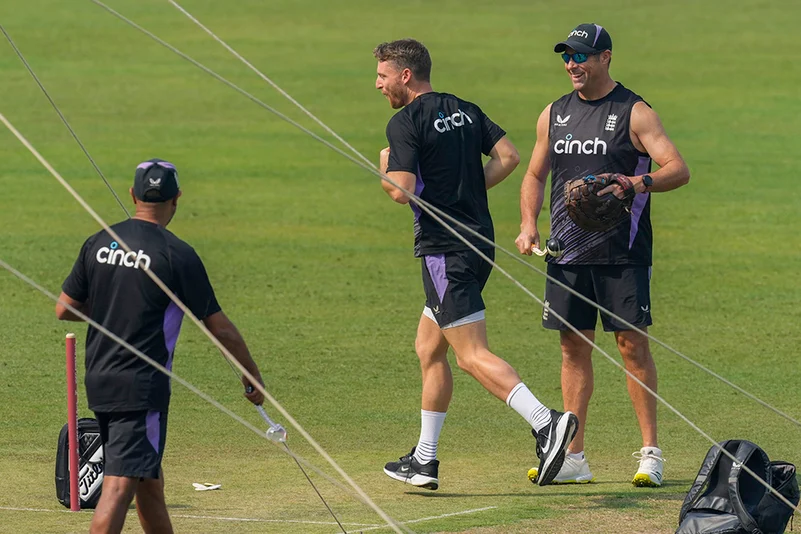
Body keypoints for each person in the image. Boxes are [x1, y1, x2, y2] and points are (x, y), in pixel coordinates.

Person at [373, 38, 578, 490]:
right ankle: (424, 460)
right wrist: (467, 192)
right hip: (479, 244)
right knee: (429, 347)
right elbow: (509, 156)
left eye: (383, 76)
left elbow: (400, 190)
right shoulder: (465, 108)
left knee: (469, 355)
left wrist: (385, 166)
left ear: (405, 76)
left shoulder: (404, 123)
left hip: (445, 252)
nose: (378, 85)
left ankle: (546, 422)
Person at [516, 24, 690, 487]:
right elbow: (535, 175)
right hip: (566, 255)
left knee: (632, 347)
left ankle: (650, 454)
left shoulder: (634, 112)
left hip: (622, 253)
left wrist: (637, 183)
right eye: (567, 57)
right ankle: (574, 457)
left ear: (605, 58)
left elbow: (676, 168)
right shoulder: (553, 114)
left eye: (582, 56)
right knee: (573, 347)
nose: (572, 64)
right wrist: (528, 223)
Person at [56, 159, 266, 533]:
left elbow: (65, 308)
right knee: (119, 485)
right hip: (141, 388)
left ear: (133, 195)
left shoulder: (100, 241)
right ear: (177, 199)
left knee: (148, 482)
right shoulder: (177, 254)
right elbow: (219, 327)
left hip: (100, 379)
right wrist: (251, 374)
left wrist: (109, 311)